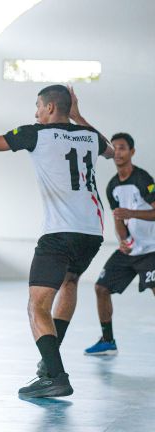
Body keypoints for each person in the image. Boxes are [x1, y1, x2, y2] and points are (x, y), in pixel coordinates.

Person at [0, 85, 113, 398]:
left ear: (49, 109)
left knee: (36, 307)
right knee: (69, 285)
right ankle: (49, 363)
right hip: (93, 233)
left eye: (37, 107)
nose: (34, 113)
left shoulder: (36, 133)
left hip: (59, 234)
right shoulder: (90, 136)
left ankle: (55, 376)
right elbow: (111, 150)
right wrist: (78, 115)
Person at [85, 133, 155, 356]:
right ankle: (107, 341)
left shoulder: (143, 179)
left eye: (122, 147)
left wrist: (131, 213)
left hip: (152, 249)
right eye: (114, 148)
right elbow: (118, 219)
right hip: (131, 251)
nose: (117, 152)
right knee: (101, 288)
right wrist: (124, 241)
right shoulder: (112, 186)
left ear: (132, 152)